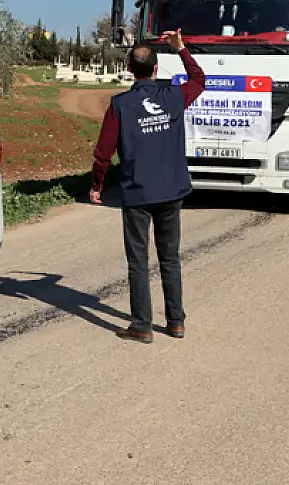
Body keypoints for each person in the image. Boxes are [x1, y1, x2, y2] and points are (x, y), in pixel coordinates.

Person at [88, 29, 206, 344]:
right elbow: (199, 79)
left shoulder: (120, 105)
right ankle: (176, 322)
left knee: (138, 260)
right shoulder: (174, 96)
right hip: (171, 191)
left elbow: (103, 153)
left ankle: (142, 325)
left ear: (130, 70)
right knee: (170, 257)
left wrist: (97, 185)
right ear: (155, 69)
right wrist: (181, 49)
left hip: (137, 193)